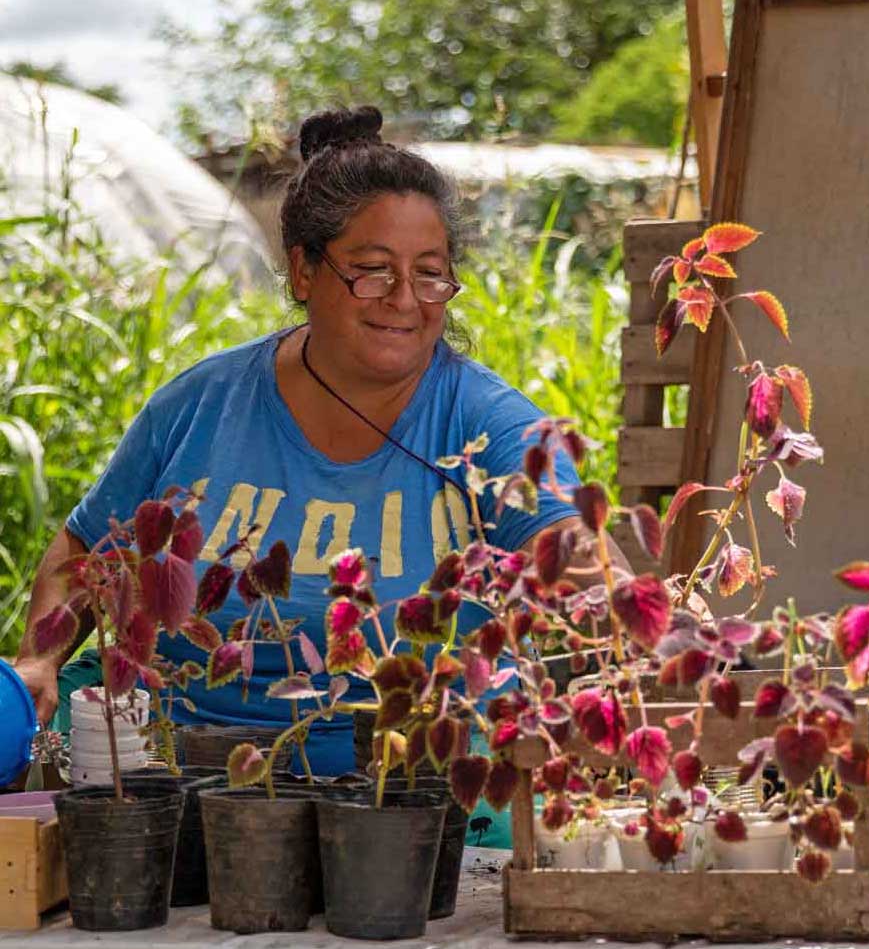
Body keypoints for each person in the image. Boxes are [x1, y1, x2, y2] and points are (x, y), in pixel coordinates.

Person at [14, 104, 626, 777]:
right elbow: (86, 550)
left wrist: (633, 613)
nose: (405, 299)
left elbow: (580, 560)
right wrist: (39, 660)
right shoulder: (201, 405)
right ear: (305, 270)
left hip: (401, 787)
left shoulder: (486, 425)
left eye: (429, 273)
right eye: (373, 269)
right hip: (170, 770)